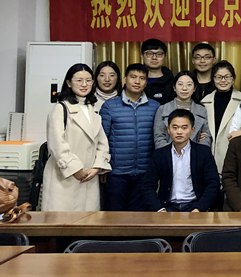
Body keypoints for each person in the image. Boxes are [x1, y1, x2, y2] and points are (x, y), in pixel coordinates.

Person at [42, 64, 111, 211]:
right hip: (65, 178)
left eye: (88, 80)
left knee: (87, 221)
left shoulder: (93, 109)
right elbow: (57, 145)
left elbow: (102, 142)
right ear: (69, 82)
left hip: (89, 177)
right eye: (79, 80)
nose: (84, 84)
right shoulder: (60, 109)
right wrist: (76, 169)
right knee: (62, 221)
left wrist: (97, 166)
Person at [100, 63, 160, 211]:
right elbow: (101, 139)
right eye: (133, 77)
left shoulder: (155, 107)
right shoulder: (110, 106)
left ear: (146, 82)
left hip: (144, 174)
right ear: (125, 79)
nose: (137, 81)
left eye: (142, 78)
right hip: (116, 174)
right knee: (114, 217)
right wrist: (102, 167)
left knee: (138, 218)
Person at [141, 109, 220, 212]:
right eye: (175, 127)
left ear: (192, 130)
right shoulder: (159, 154)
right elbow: (147, 185)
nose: (179, 132)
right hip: (167, 207)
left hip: (195, 206)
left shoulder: (203, 152)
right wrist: (159, 209)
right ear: (168, 129)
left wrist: (200, 208)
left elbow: (213, 183)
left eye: (184, 127)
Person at [201, 61, 241, 172]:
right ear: (213, 79)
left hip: (233, 156)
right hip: (208, 157)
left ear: (233, 78)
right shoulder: (204, 102)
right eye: (219, 77)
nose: (223, 80)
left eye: (227, 77)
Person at [153, 70, 212, 150]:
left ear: (194, 88)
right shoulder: (163, 109)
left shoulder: (202, 110)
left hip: (196, 155)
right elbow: (159, 137)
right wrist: (170, 154)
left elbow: (206, 136)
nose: (184, 88)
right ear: (174, 87)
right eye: (180, 84)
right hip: (168, 154)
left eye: (189, 85)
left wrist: (197, 152)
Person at [141, 38, 174, 104]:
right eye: (149, 53)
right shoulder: (134, 81)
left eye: (159, 54)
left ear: (165, 56)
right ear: (142, 56)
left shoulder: (173, 83)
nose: (154, 57)